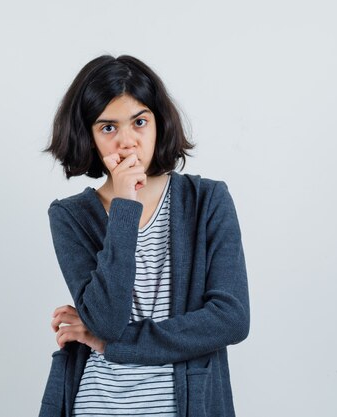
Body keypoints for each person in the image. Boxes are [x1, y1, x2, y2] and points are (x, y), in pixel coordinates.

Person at [39, 55, 250, 417]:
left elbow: (231, 318)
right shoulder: (70, 216)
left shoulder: (207, 201)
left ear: (158, 123)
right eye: (108, 128)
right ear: (87, 135)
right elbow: (106, 320)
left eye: (139, 122)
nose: (127, 142)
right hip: (97, 405)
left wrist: (114, 345)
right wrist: (125, 207)